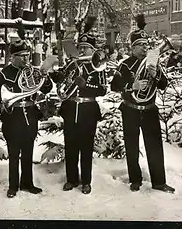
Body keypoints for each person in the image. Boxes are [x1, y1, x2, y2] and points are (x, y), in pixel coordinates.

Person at [110, 14, 175, 194]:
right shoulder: (124, 65)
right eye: (142, 45)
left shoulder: (153, 60)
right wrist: (133, 85)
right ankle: (135, 179)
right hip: (130, 110)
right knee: (131, 146)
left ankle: (159, 182)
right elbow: (114, 85)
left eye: (147, 45)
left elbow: (163, 85)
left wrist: (156, 75)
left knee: (154, 146)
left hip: (149, 110)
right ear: (133, 48)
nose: (146, 48)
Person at [0, 24, 53, 198]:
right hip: (13, 117)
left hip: (30, 115)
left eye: (27, 56)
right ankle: (13, 185)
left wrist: (45, 76)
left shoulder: (32, 71)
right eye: (22, 57)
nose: (26, 60)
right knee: (14, 153)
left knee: (28, 151)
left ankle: (27, 183)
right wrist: (6, 91)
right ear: (13, 57)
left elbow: (46, 89)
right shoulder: (5, 73)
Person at [50, 30, 107, 194]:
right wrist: (58, 76)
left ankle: (86, 181)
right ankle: (71, 179)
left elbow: (103, 90)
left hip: (88, 111)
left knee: (86, 148)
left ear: (92, 50)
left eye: (86, 47)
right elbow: (62, 84)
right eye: (80, 47)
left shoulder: (98, 65)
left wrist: (86, 86)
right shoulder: (72, 64)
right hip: (70, 109)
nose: (82, 50)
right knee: (71, 146)